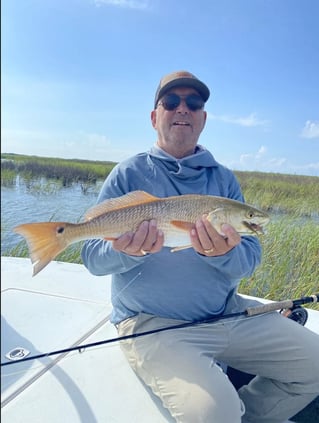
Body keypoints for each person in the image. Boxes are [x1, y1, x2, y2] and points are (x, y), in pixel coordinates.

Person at [81, 70, 319, 423]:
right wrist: (124, 250)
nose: (183, 109)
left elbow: (249, 260)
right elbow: (92, 260)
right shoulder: (127, 174)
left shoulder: (223, 179)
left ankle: (251, 416)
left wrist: (226, 254)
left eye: (194, 103)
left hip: (228, 313)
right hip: (153, 324)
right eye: (171, 101)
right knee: (212, 413)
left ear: (203, 118)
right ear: (154, 116)